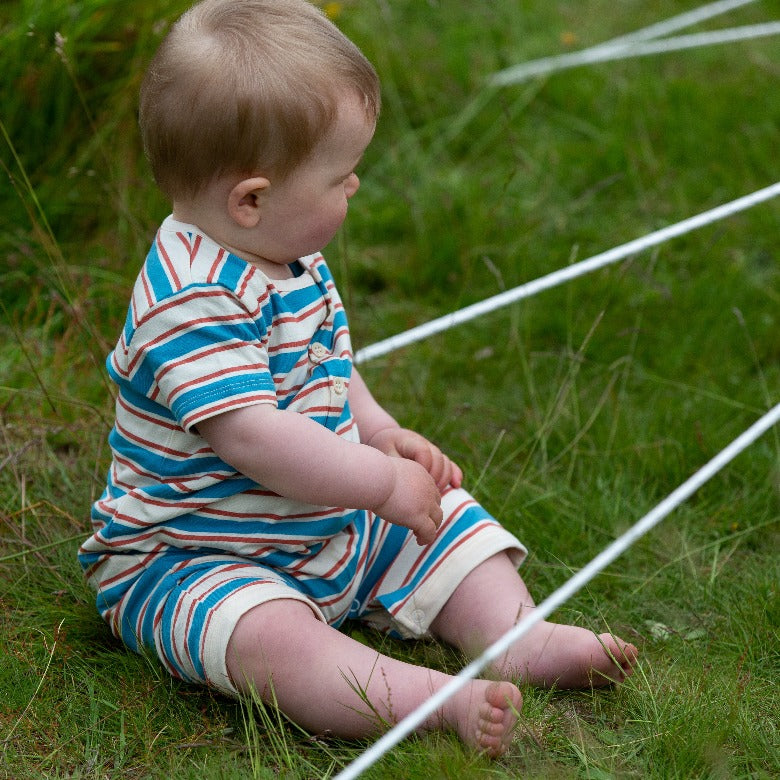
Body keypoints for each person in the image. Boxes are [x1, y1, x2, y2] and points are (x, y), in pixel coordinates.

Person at [79, 0, 638, 757]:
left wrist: (380, 434)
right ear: (252, 198)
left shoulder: (282, 253)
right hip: (198, 552)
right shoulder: (189, 298)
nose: (355, 189)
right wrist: (375, 482)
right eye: (340, 176)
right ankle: (430, 700)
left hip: (322, 521)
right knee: (269, 640)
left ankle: (516, 638)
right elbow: (255, 436)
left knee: (442, 518)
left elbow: (328, 369)